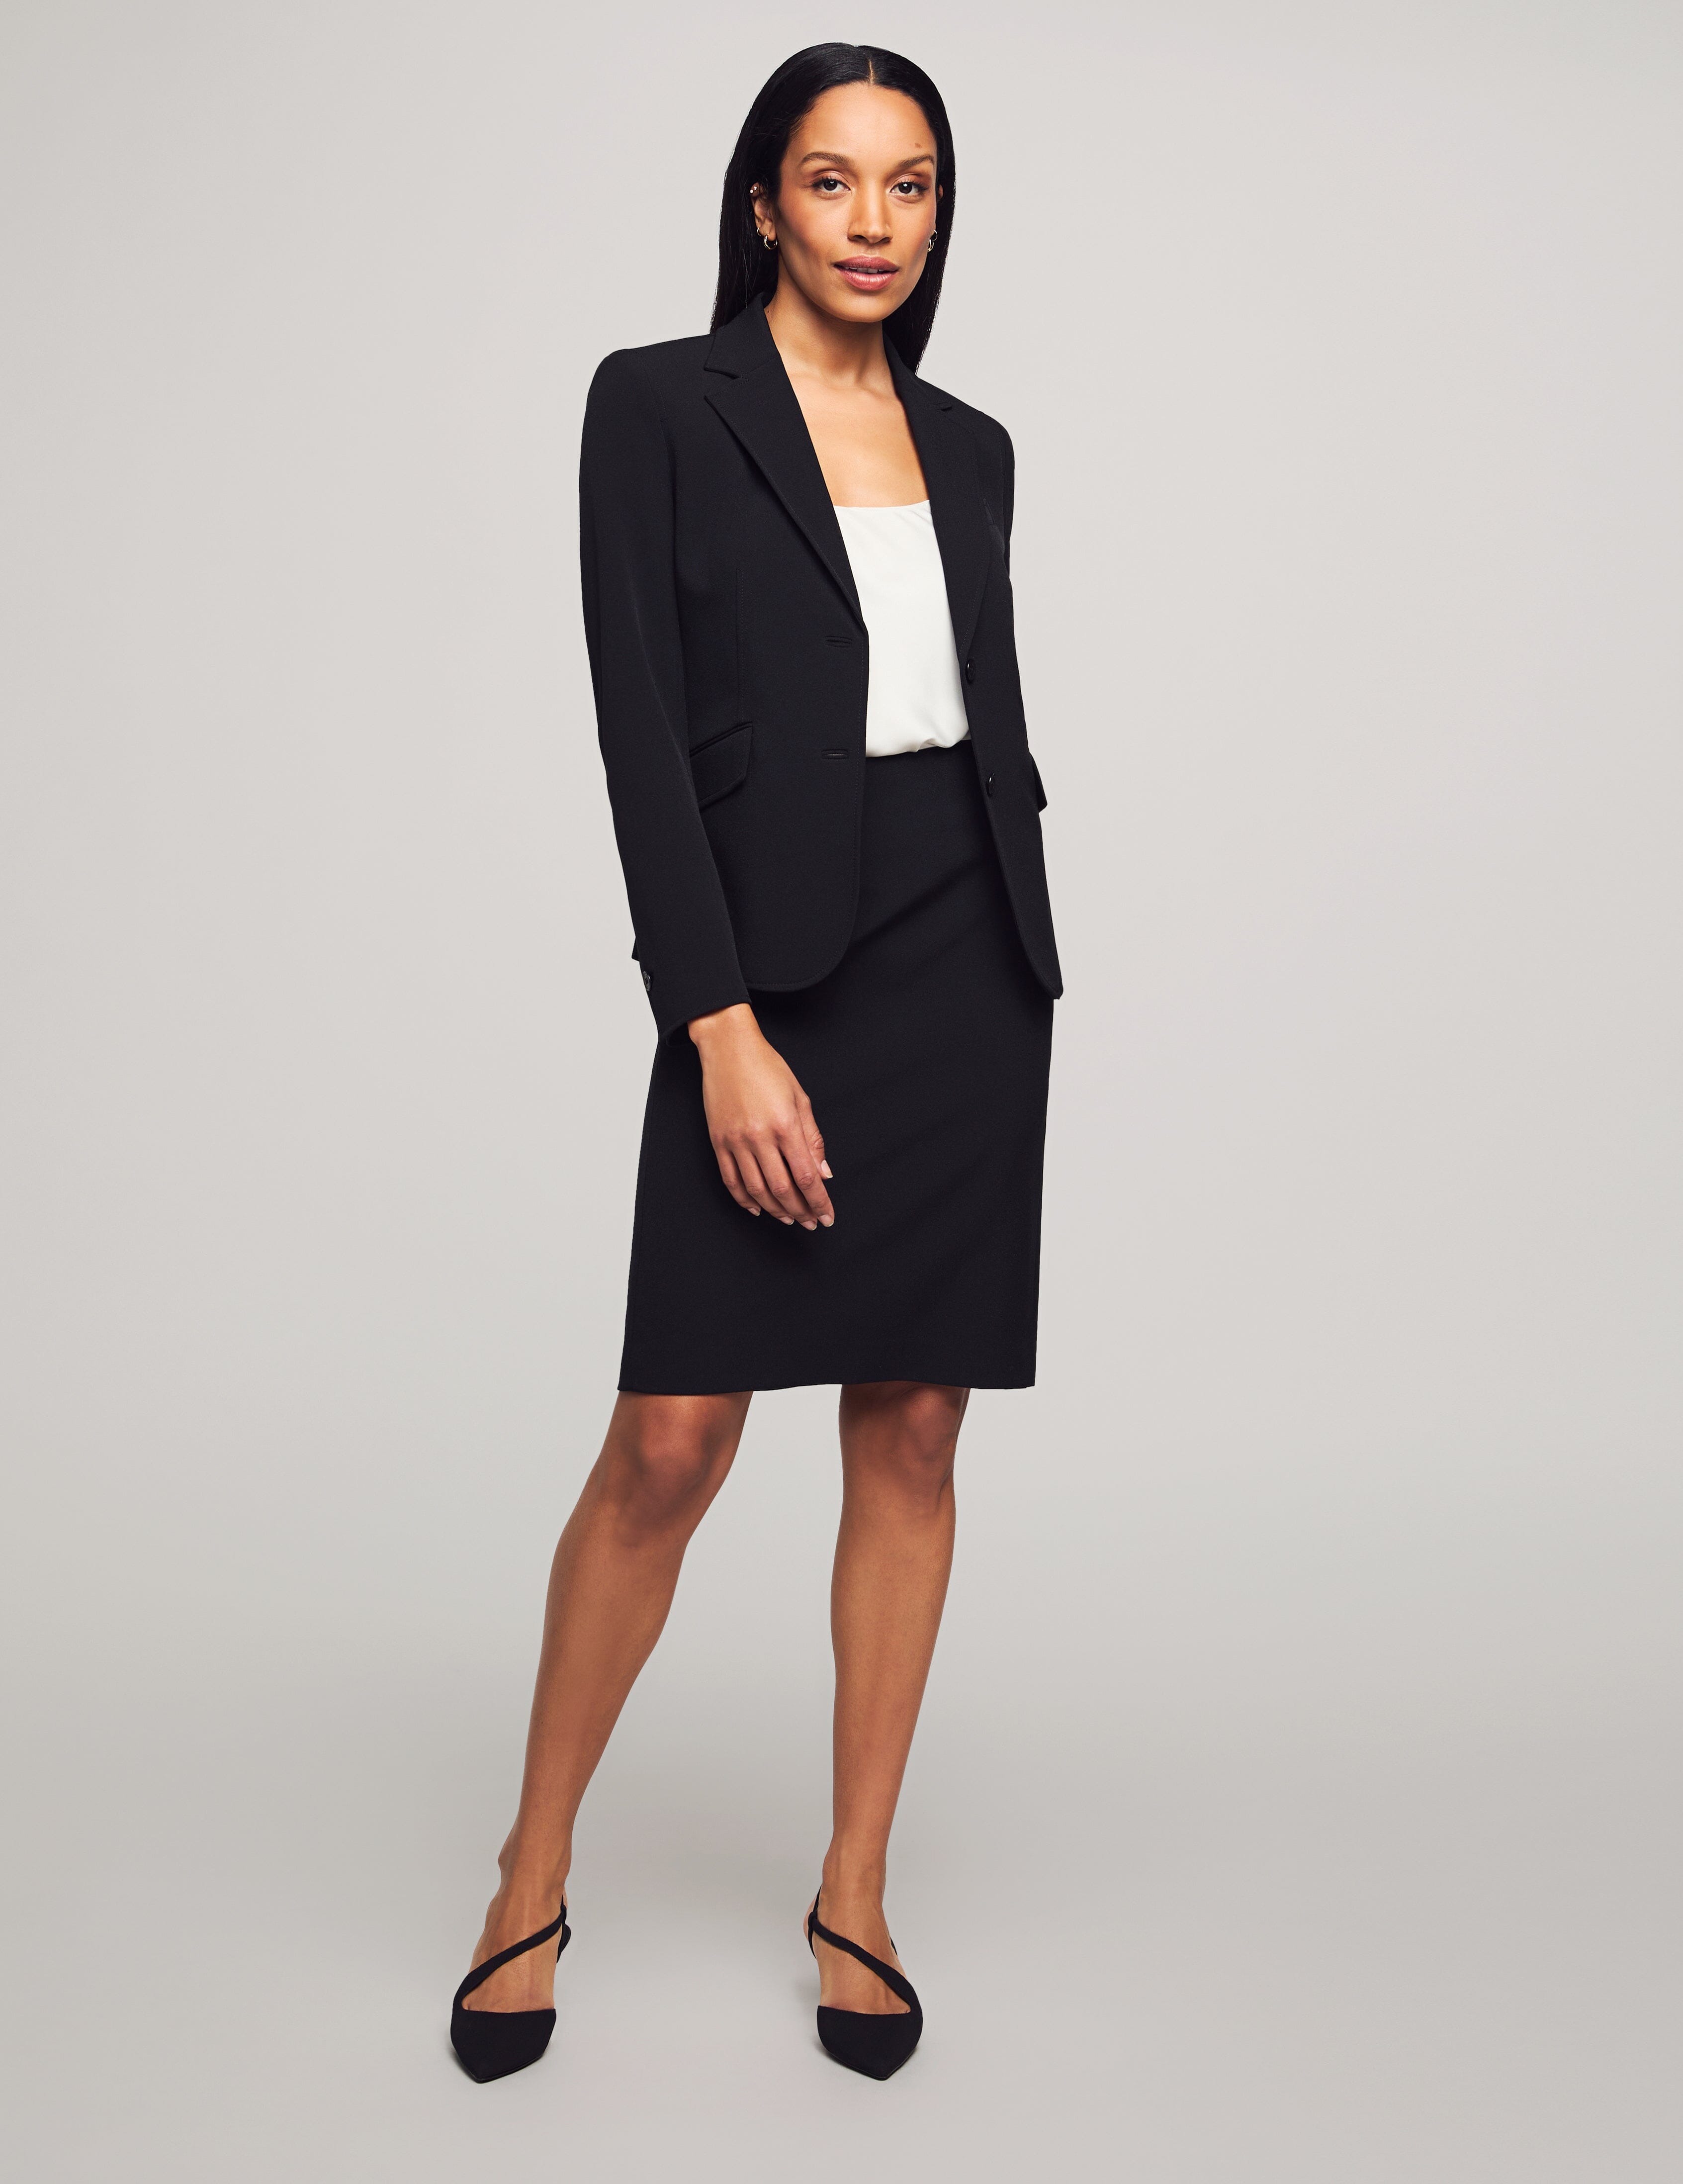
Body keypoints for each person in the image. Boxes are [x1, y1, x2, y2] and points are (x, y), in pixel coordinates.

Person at [450, 41, 1061, 2085]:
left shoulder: (971, 444)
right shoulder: (660, 405)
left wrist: (1012, 943)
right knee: (671, 1442)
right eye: (832, 179)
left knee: (914, 1431)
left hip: (962, 958)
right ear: (762, 203)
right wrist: (714, 1024)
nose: (874, 222)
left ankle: (855, 1890)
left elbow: (970, 714)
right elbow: (639, 729)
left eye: (910, 184)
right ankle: (530, 1871)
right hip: (767, 972)